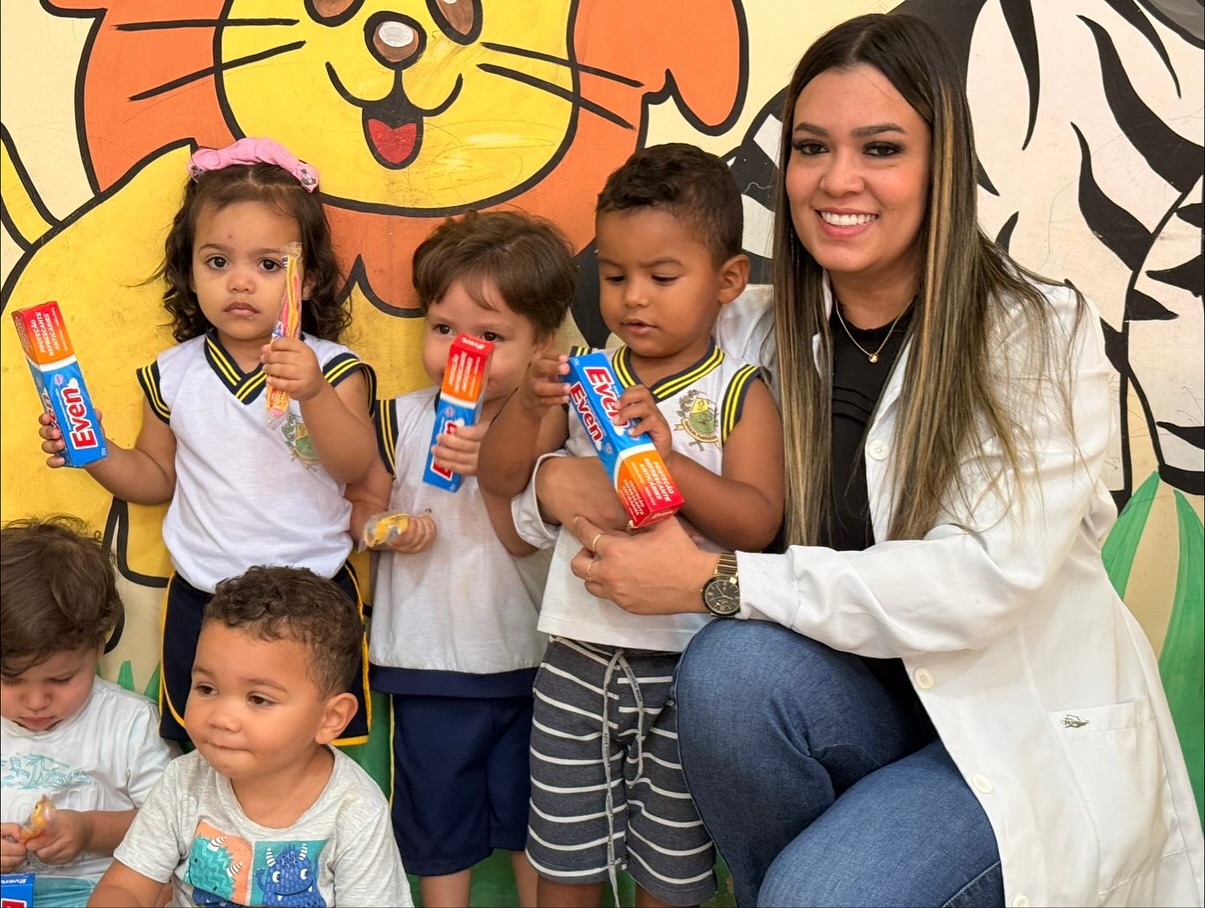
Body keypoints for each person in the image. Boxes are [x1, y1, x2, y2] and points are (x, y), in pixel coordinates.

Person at [538, 13, 1205, 908]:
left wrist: (715, 580)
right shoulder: (749, 326)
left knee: (816, 892)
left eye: (881, 147)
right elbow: (593, 426)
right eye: (812, 147)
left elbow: (980, 582)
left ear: (942, 162)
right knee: (732, 675)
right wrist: (551, 479)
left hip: (1007, 732)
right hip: (852, 703)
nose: (837, 179)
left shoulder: (1037, 330)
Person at [479, 143, 785, 907]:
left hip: (692, 667)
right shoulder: (586, 376)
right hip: (577, 657)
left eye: (661, 276)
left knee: (673, 873)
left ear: (727, 280)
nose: (632, 299)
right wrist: (525, 405)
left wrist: (671, 464)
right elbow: (499, 479)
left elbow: (758, 522)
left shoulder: (740, 392)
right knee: (564, 859)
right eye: (614, 276)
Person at [36, 137, 378, 745]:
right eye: (218, 262)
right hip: (205, 594)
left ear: (309, 279)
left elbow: (354, 466)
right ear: (190, 270)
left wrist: (314, 394)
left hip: (309, 595)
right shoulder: (174, 373)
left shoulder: (335, 367)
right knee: (206, 743)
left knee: (305, 744)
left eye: (268, 265)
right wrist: (90, 451)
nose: (240, 283)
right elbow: (153, 479)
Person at [345, 209, 576, 908]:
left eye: (490, 336)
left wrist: (502, 459)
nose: (459, 352)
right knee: (436, 827)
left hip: (530, 662)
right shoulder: (402, 417)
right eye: (442, 329)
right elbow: (361, 504)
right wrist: (383, 529)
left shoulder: (552, 423)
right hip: (425, 662)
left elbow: (527, 533)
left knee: (535, 825)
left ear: (543, 344)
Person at [87, 565, 413, 907]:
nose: (222, 718)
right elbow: (125, 888)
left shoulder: (355, 809)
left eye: (258, 699)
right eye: (207, 688)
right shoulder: (182, 783)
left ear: (330, 719)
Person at [1, 515, 176, 908]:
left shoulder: (128, 723)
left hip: (101, 890)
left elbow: (172, 823)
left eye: (60, 680)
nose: (35, 702)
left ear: (97, 647)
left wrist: (91, 830)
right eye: (10, 681)